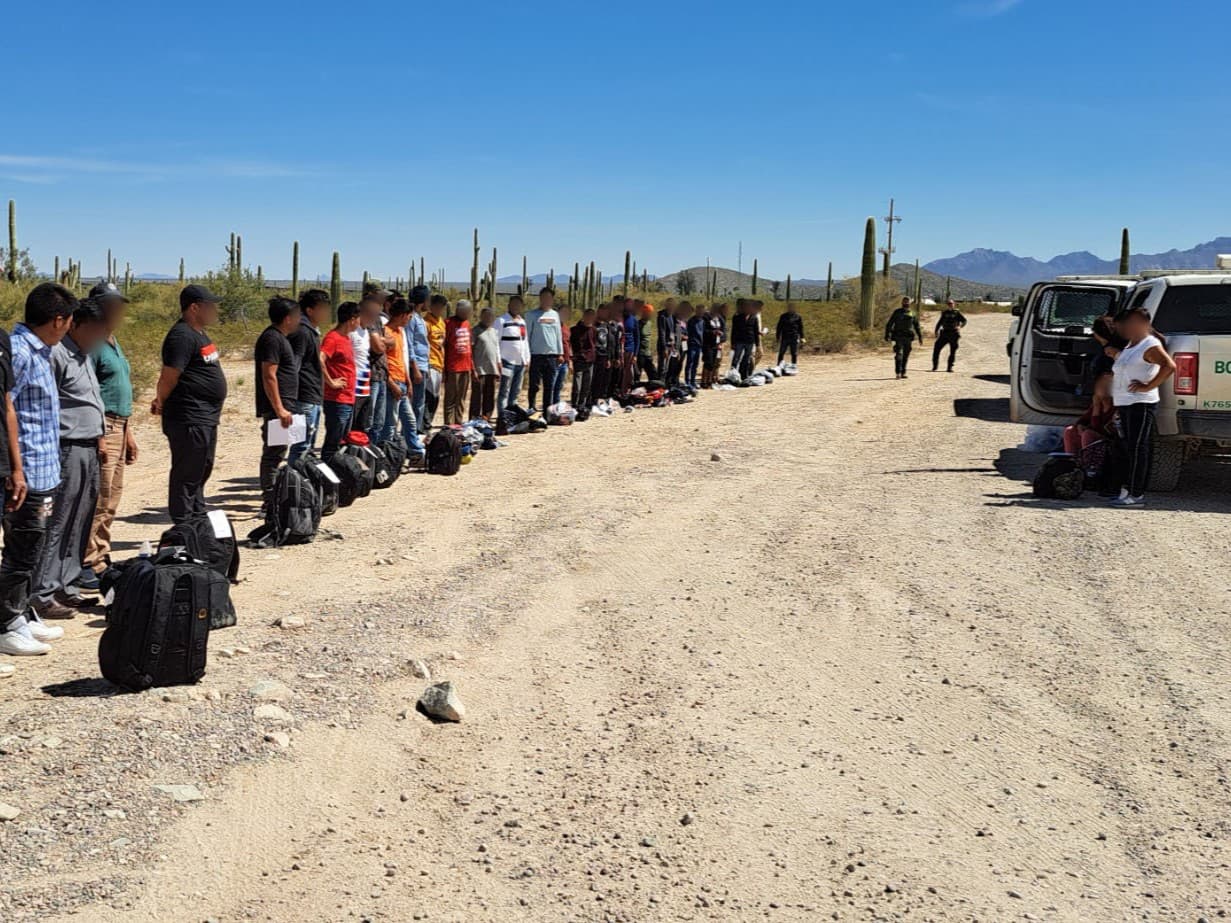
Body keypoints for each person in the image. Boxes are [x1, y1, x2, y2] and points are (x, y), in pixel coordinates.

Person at [0, 283, 75, 656]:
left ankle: (22, 612)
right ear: (58, 320)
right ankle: (6, 624)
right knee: (21, 549)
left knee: (36, 547)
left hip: (44, 469)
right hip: (26, 471)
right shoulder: (19, 352)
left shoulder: (42, 351)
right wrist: (16, 469)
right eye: (70, 320)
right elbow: (6, 410)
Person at [30, 296, 108, 620]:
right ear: (74, 325)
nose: (98, 337)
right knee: (59, 521)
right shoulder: (57, 355)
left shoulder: (84, 355)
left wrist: (101, 436)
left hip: (89, 447)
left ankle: (67, 585)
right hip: (67, 446)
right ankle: (44, 592)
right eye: (93, 330)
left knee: (81, 519)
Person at [153, 284, 227, 524]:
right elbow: (169, 376)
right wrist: (160, 401)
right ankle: (184, 524)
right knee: (187, 472)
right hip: (188, 416)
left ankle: (197, 516)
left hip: (206, 416)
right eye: (210, 306)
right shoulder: (182, 335)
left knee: (202, 467)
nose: (215, 310)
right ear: (194, 307)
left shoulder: (199, 332)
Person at [83, 282, 137, 585]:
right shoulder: (92, 345)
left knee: (112, 497)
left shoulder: (113, 341)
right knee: (99, 497)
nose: (117, 311)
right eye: (111, 305)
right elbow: (87, 391)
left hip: (121, 424)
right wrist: (101, 435)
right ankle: (88, 561)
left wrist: (129, 434)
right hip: (103, 425)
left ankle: (102, 556)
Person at [1109, 306, 1176, 507]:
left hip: (1141, 403)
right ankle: (1125, 489)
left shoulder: (1150, 344)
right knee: (1127, 447)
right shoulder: (1132, 344)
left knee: (1138, 447)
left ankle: (1136, 494)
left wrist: (1148, 385)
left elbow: (1169, 366)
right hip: (1125, 403)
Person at [254, 297, 301, 508]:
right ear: (287, 318)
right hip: (277, 409)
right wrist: (279, 408)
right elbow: (269, 375)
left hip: (285, 406)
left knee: (280, 451)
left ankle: (274, 496)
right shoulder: (272, 339)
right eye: (297, 316)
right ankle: (270, 500)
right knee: (273, 454)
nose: (300, 320)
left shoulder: (281, 338)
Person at [287, 288, 329, 463]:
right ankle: (294, 485)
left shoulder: (311, 331)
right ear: (310, 310)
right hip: (303, 398)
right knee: (300, 445)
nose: (326, 313)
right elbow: (294, 366)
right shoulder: (302, 332)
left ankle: (302, 484)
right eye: (323, 308)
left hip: (312, 397)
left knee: (308, 445)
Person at [383, 298, 425, 459]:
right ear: (401, 315)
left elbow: (402, 358)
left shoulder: (401, 332)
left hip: (402, 381)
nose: (410, 320)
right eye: (409, 316)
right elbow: (382, 362)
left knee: (410, 420)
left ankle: (415, 452)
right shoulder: (385, 332)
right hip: (391, 384)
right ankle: (388, 456)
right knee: (390, 423)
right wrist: (391, 383)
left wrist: (408, 380)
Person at [320, 302, 361, 462]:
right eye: (358, 318)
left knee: (343, 439)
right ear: (352, 319)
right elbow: (320, 358)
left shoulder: (346, 338)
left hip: (348, 397)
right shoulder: (333, 338)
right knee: (333, 440)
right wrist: (331, 382)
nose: (359, 322)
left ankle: (338, 469)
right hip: (336, 399)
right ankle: (328, 471)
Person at [525, 288, 563, 413]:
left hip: (551, 356)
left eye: (548, 298)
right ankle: (531, 406)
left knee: (549, 386)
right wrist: (527, 355)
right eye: (543, 297)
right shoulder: (531, 315)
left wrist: (560, 353)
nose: (545, 300)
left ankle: (548, 410)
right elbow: (527, 335)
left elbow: (558, 335)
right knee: (534, 385)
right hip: (536, 355)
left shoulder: (555, 315)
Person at [1063, 370, 1115, 456]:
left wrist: (1096, 408)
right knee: (1070, 430)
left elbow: (1098, 429)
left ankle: (1089, 464)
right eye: (1101, 385)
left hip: (1109, 443)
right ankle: (1072, 461)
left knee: (1088, 434)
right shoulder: (1099, 403)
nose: (1104, 389)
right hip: (1094, 436)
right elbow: (1083, 420)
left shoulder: (1118, 407)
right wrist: (1080, 425)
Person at [494, 295, 529, 412]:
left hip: (520, 362)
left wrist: (527, 358)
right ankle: (502, 416)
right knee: (505, 390)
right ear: (509, 305)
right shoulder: (501, 321)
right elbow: (495, 342)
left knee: (516, 390)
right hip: (507, 362)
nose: (516, 307)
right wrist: (498, 361)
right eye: (514, 304)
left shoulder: (522, 322)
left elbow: (525, 341)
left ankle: (512, 414)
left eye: (519, 305)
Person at [443, 300, 475, 426]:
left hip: (466, 366)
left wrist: (472, 367)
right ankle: (449, 424)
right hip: (453, 366)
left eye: (469, 312)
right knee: (451, 397)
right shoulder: (448, 323)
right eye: (465, 311)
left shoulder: (467, 324)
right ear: (458, 310)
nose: (467, 314)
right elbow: (444, 345)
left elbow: (469, 347)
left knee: (461, 398)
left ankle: (459, 422)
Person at [406, 286, 432, 434]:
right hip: (416, 365)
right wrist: (414, 367)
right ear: (423, 301)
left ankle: (417, 428)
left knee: (420, 401)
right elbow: (409, 343)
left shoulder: (420, 318)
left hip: (423, 364)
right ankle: (412, 431)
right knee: (415, 402)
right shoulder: (412, 319)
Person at [469, 307, 501, 421]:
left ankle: (487, 416)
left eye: (491, 316)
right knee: (477, 395)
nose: (488, 319)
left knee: (490, 395)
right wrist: (473, 368)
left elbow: (496, 348)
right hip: (479, 369)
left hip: (492, 368)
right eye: (486, 316)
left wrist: (498, 363)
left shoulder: (494, 331)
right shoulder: (475, 331)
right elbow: (471, 350)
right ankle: (474, 418)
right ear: (481, 317)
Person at [423, 294, 448, 427]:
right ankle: (425, 422)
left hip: (439, 362)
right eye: (437, 307)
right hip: (430, 363)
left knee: (436, 396)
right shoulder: (426, 323)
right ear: (431, 307)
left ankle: (429, 421)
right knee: (429, 395)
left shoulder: (441, 322)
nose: (439, 310)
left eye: (441, 308)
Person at [884, 297, 923, 380]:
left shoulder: (912, 313)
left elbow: (917, 326)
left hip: (908, 337)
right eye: (904, 302)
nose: (906, 303)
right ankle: (898, 372)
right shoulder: (897, 312)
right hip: (898, 336)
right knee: (899, 355)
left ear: (909, 303)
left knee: (906, 355)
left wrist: (920, 337)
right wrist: (887, 334)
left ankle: (903, 372)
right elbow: (890, 323)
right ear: (902, 303)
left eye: (907, 302)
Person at [570, 308, 597, 418]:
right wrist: (573, 358)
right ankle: (574, 405)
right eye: (587, 316)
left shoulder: (594, 330)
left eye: (591, 317)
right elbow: (571, 344)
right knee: (577, 385)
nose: (589, 319)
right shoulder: (575, 330)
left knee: (586, 385)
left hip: (590, 360)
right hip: (579, 360)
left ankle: (582, 405)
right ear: (584, 316)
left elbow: (594, 343)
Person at [932, 299, 967, 372]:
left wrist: (960, 326)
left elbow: (964, 320)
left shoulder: (957, 313)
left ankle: (949, 367)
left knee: (952, 351)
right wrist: (936, 331)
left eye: (951, 303)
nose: (950, 305)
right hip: (944, 333)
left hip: (954, 334)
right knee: (936, 349)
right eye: (948, 304)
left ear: (954, 304)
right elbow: (940, 322)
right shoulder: (944, 313)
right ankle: (935, 366)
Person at [730, 299, 759, 378]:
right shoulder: (737, 317)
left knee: (746, 359)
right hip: (739, 341)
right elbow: (734, 331)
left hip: (750, 341)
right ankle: (732, 374)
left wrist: (757, 344)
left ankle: (743, 375)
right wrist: (733, 343)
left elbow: (756, 331)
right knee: (736, 358)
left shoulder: (754, 318)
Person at [702, 303, 727, 388]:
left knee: (713, 362)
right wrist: (713, 332)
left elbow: (723, 330)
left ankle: (710, 380)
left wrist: (721, 341)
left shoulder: (719, 318)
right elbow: (703, 330)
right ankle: (704, 381)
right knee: (708, 362)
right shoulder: (705, 317)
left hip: (717, 343)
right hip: (708, 343)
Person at [551, 304, 572, 407]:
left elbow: (568, 344)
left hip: (565, 362)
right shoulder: (553, 327)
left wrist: (570, 360)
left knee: (559, 385)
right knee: (552, 385)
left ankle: (556, 405)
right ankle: (549, 406)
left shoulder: (567, 328)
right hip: (555, 360)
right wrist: (558, 355)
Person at [591, 303, 611, 406]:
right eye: (602, 311)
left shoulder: (606, 325)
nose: (603, 313)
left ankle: (598, 399)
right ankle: (590, 399)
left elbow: (609, 341)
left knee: (601, 379)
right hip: (595, 355)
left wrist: (608, 358)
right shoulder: (593, 324)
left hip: (604, 354)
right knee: (593, 379)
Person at [685, 302, 706, 389]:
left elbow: (703, 333)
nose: (701, 312)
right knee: (690, 363)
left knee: (696, 364)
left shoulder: (703, 321)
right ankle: (687, 381)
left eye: (703, 311)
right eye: (700, 310)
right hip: (692, 345)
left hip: (699, 346)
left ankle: (693, 381)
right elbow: (687, 332)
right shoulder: (691, 321)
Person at [621, 300, 640, 394]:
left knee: (629, 372)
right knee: (619, 371)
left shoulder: (634, 320)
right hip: (619, 350)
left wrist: (635, 354)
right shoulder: (619, 319)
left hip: (630, 349)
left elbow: (637, 338)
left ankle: (627, 391)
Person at [655, 300, 676, 381]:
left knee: (668, 366)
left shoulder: (671, 316)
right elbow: (662, 333)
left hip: (671, 344)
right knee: (662, 366)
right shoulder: (662, 317)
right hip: (664, 345)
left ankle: (665, 383)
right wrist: (664, 348)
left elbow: (672, 331)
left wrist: (673, 344)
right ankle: (660, 382)